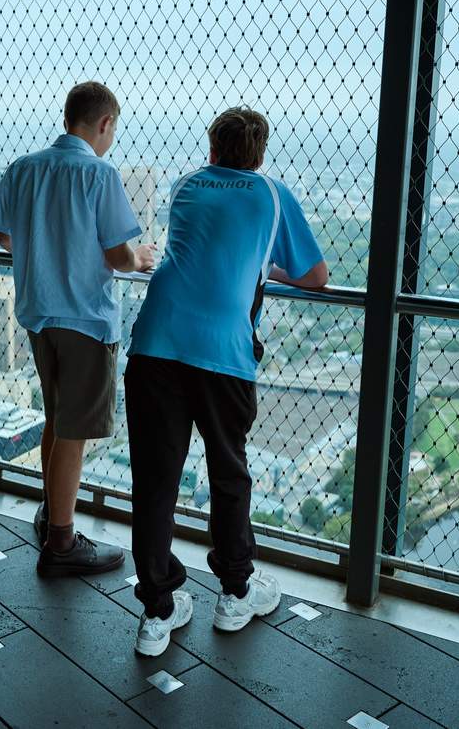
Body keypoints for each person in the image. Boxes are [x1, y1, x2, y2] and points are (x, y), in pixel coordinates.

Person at [125, 106, 328, 656]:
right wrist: (269, 270)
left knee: (156, 481)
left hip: (155, 346)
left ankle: (157, 611)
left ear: (211, 148)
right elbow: (315, 276)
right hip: (223, 355)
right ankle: (235, 593)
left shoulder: (186, 184)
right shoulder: (271, 194)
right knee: (229, 475)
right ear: (260, 156)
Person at [0, 81, 157, 577]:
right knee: (75, 431)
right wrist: (138, 257)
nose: (112, 139)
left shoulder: (25, 167)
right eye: (113, 130)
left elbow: (2, 234)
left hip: (39, 314)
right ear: (104, 123)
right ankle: (62, 541)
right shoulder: (100, 175)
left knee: (57, 419)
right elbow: (116, 254)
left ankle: (50, 512)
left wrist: (45, 254)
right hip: (85, 318)